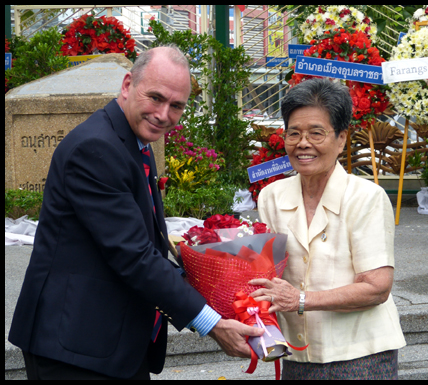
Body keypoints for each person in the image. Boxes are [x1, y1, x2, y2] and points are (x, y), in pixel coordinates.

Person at [8, 45, 263, 380]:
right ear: (127, 85)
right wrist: (210, 322)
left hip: (109, 343)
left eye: (176, 106)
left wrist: (217, 285)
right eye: (155, 98)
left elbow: (149, 244)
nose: (163, 114)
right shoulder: (97, 148)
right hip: (73, 346)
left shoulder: (132, 139)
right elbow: (134, 256)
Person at [250, 78, 406, 380]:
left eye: (316, 133)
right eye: (293, 133)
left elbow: (377, 286)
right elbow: (267, 273)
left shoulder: (366, 198)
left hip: (361, 355)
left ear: (341, 139)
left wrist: (301, 301)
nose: (303, 143)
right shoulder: (271, 196)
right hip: (298, 352)